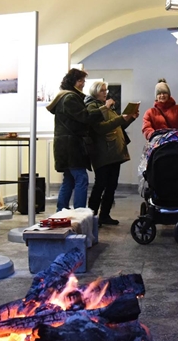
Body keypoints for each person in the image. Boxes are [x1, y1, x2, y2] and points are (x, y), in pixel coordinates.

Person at [46, 68, 103, 212]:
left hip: (65, 145)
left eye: (83, 81)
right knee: (81, 178)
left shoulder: (64, 97)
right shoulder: (70, 98)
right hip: (71, 146)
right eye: (80, 81)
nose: (83, 84)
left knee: (69, 179)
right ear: (72, 82)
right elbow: (84, 117)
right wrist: (103, 109)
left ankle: (61, 210)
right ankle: (79, 212)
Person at [84, 81, 139, 226]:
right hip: (102, 152)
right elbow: (100, 128)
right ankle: (91, 216)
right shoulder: (92, 107)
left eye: (106, 90)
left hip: (114, 151)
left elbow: (117, 125)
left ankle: (105, 215)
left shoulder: (107, 106)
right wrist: (119, 117)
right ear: (95, 91)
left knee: (112, 185)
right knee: (100, 184)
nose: (105, 93)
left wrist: (130, 118)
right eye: (102, 90)